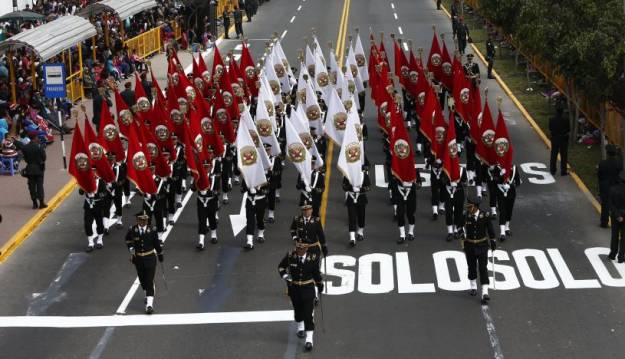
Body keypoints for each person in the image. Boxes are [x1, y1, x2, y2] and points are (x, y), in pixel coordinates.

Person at [278, 240, 324, 352]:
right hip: (294, 289)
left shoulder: (312, 259)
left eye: (301, 250)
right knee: (298, 312)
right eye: (298, 249)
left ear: (306, 249)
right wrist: (285, 277)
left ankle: (309, 340)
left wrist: (319, 285)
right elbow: (281, 267)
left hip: (307, 288)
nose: (299, 251)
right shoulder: (290, 256)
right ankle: (300, 327)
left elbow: (316, 274)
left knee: (308, 314)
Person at [125, 211, 164, 314]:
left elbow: (156, 243)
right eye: (142, 220)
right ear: (138, 220)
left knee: (149, 280)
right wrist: (131, 248)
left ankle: (149, 305)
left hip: (150, 258)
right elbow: (128, 240)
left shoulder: (152, 230)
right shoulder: (133, 230)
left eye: (145, 220)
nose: (144, 221)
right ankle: (147, 292)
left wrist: (160, 254)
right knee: (142, 280)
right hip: (138, 259)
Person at [461, 195, 496, 304]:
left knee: (483, 268)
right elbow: (459, 226)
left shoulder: (485, 215)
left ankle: (485, 292)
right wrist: (460, 232)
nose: (468, 209)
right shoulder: (465, 215)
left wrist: (493, 240)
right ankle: (473, 286)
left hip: (482, 245)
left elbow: (490, 229)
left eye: (470, 207)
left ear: (475, 207)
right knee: (471, 267)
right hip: (470, 245)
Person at [14, 134, 47, 209]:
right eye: (37, 137)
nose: (38, 138)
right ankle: (41, 203)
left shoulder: (25, 147)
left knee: (31, 186)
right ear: (35, 138)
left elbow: (25, 159)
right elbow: (44, 158)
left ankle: (34, 203)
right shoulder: (39, 147)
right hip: (39, 168)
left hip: (29, 169)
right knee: (40, 186)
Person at [598, 145, 622, 228]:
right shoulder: (619, 163)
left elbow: (600, 176)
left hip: (605, 187)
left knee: (605, 205)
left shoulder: (602, 163)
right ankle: (616, 221)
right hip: (615, 185)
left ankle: (604, 222)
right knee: (615, 205)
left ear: (607, 153)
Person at [548, 107, 570, 176]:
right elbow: (569, 129)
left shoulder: (551, 119)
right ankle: (563, 171)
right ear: (562, 112)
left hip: (554, 138)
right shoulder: (566, 120)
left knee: (553, 154)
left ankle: (552, 170)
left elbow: (550, 128)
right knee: (564, 155)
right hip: (563, 139)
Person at [609, 173, 625, 262]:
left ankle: (612, 254)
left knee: (614, 236)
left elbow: (611, 204)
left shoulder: (613, 189)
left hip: (616, 216)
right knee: (624, 238)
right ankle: (621, 257)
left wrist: (618, 215)